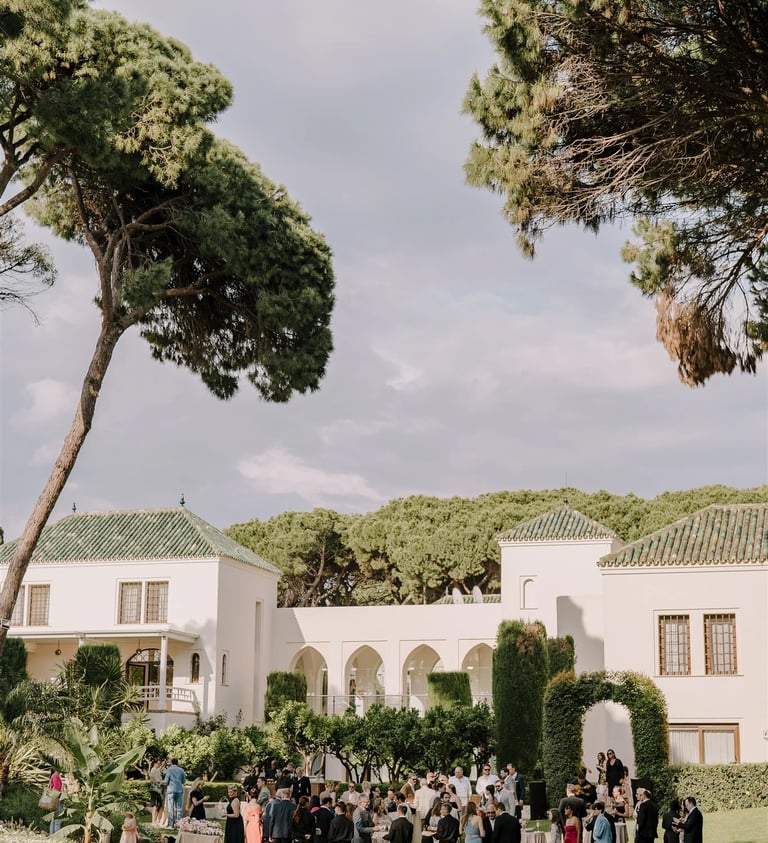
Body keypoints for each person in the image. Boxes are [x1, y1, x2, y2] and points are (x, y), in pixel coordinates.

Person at [165, 758, 187, 827]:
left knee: (171, 808)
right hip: (179, 790)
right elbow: (184, 781)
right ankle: (179, 824)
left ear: (171, 763)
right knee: (179, 808)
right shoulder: (181, 770)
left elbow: (166, 781)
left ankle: (171, 824)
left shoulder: (169, 770)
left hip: (171, 790)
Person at [48, 768, 64, 834]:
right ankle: (56, 834)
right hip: (57, 799)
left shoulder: (53, 776)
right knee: (58, 818)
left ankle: (52, 834)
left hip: (53, 799)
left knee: (54, 818)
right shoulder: (56, 776)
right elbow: (57, 789)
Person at [149, 760, 165, 826]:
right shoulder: (153, 770)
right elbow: (157, 781)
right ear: (155, 763)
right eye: (158, 763)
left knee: (158, 805)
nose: (159, 764)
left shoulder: (157, 770)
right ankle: (153, 821)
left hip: (158, 790)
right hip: (155, 790)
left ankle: (156, 820)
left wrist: (163, 764)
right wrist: (163, 783)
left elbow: (160, 770)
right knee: (155, 806)